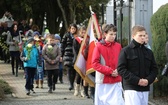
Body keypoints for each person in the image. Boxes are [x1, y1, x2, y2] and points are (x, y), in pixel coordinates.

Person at [117, 25, 158, 105]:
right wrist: (137, 80)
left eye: (144, 35)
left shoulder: (149, 52)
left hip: (145, 88)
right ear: (133, 36)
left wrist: (148, 80)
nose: (143, 37)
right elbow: (121, 69)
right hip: (131, 88)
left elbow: (154, 69)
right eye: (140, 35)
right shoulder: (126, 51)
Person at [92, 24, 124, 105]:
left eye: (115, 34)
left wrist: (118, 70)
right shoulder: (98, 46)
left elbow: (122, 62)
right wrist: (109, 71)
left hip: (116, 81)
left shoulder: (118, 46)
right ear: (105, 34)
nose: (113, 36)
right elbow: (95, 63)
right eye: (111, 34)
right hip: (103, 82)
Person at [73, 26, 90, 98]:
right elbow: (75, 50)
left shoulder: (88, 40)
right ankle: (77, 88)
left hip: (86, 59)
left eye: (84, 32)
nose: (83, 33)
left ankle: (83, 90)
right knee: (79, 75)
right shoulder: (76, 40)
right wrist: (78, 58)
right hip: (79, 59)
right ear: (79, 32)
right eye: (82, 32)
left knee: (84, 75)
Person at [61, 23, 78, 91]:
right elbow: (63, 44)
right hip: (68, 53)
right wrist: (61, 54)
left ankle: (73, 82)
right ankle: (71, 84)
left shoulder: (77, 36)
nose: (73, 30)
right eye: (72, 28)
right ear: (70, 29)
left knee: (74, 70)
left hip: (75, 54)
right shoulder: (66, 35)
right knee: (69, 69)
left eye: (74, 28)